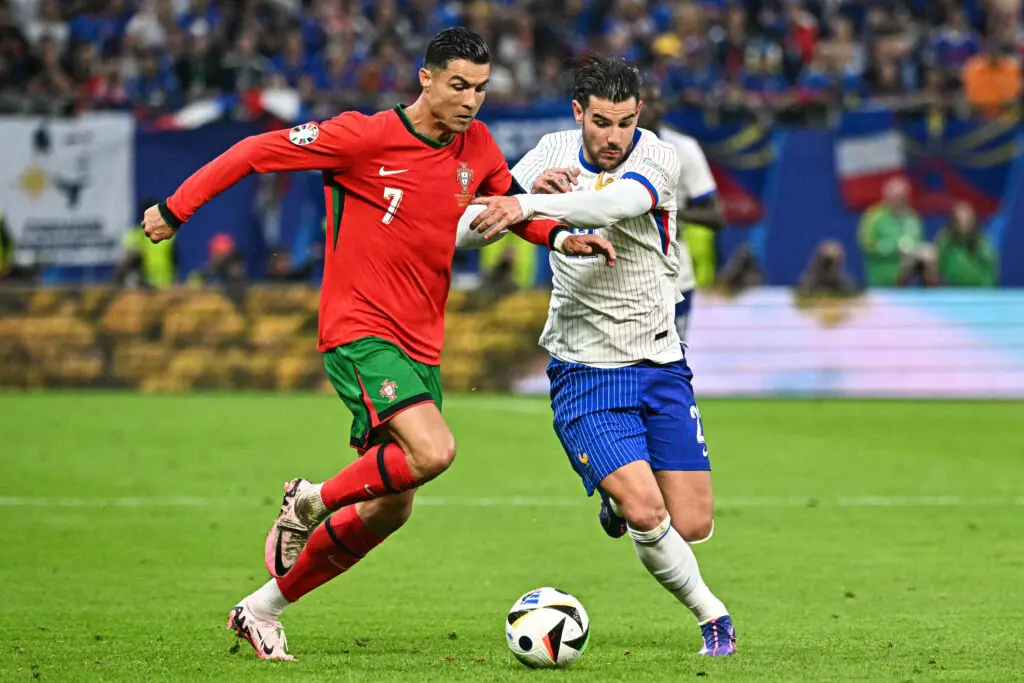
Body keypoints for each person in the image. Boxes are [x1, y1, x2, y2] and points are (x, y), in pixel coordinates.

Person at [141, 28, 610, 661]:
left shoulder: (477, 144)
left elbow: (504, 210)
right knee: (434, 450)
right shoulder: (362, 137)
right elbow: (253, 151)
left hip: (421, 343)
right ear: (426, 79)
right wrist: (176, 208)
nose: (470, 100)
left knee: (392, 507)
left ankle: (261, 609)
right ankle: (310, 499)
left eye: (480, 88)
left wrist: (557, 235)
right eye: (458, 85)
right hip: (359, 328)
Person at [469, 57, 736, 656]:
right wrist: (521, 193)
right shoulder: (549, 151)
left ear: (639, 114)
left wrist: (530, 205)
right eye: (600, 123)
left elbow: (614, 205)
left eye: (624, 122)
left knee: (693, 524)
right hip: (585, 369)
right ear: (578, 113)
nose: (613, 136)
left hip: (660, 362)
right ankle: (713, 617)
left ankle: (617, 503)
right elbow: (471, 226)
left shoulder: (658, 156)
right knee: (647, 510)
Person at [636, 82, 725, 340]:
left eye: (654, 101)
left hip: (673, 274)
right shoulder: (607, 150)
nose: (651, 108)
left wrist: (669, 213)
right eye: (642, 101)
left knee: (670, 358)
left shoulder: (683, 149)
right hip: (620, 276)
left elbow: (717, 216)